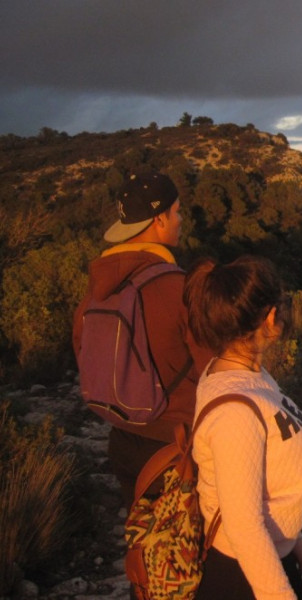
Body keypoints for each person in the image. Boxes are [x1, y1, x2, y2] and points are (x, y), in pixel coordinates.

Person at [73, 171, 213, 505]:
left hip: (122, 440)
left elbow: (83, 352)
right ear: (159, 218)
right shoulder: (179, 289)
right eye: (176, 211)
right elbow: (214, 370)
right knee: (183, 550)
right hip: (177, 450)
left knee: (141, 542)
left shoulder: (95, 292)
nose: (180, 219)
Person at [183, 255, 302, 600]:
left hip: (265, 557)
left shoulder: (241, 372)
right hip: (244, 574)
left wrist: (292, 539)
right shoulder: (235, 411)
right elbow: (243, 525)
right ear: (270, 316)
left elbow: (265, 471)